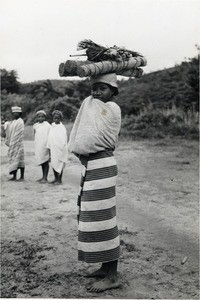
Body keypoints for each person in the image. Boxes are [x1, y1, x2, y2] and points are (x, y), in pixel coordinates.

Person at [68, 73, 121, 293]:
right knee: (92, 215)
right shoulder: (91, 106)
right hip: (92, 166)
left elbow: (93, 139)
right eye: (94, 88)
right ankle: (105, 266)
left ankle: (112, 276)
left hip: (103, 165)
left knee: (103, 219)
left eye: (103, 88)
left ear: (113, 91)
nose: (97, 92)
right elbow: (84, 135)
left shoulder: (112, 109)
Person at [47, 110, 68, 184]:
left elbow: (63, 139)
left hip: (60, 149)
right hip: (53, 148)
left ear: (60, 119)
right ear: (53, 118)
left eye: (58, 118)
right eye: (55, 118)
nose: (56, 120)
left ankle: (59, 180)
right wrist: (50, 147)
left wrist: (61, 147)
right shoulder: (52, 127)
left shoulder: (62, 127)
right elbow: (50, 137)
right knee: (53, 163)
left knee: (60, 163)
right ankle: (55, 178)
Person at [6, 106, 25, 181]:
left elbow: (20, 132)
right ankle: (14, 176)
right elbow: (10, 132)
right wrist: (10, 140)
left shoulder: (20, 121)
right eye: (13, 113)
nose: (15, 114)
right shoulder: (13, 122)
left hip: (19, 143)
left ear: (20, 113)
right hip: (13, 143)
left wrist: (16, 140)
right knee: (13, 160)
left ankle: (22, 176)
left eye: (16, 113)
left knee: (20, 160)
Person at [33, 110, 51, 183]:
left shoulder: (48, 126)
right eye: (39, 117)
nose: (41, 118)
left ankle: (45, 177)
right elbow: (35, 135)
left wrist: (48, 146)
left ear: (45, 117)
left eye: (42, 117)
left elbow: (50, 136)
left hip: (45, 145)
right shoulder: (35, 126)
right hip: (38, 146)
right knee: (41, 161)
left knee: (45, 161)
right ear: (37, 117)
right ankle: (43, 176)